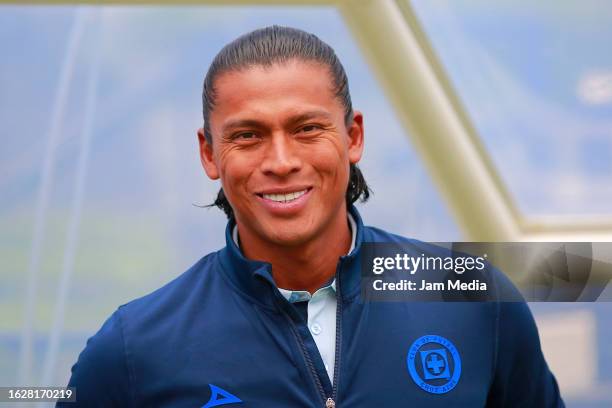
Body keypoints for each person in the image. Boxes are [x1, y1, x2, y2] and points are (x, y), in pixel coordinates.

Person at [59, 26, 563, 407]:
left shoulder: (472, 299)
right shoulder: (133, 347)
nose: (281, 161)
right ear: (209, 154)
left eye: (306, 128)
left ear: (354, 136)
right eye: (247, 135)